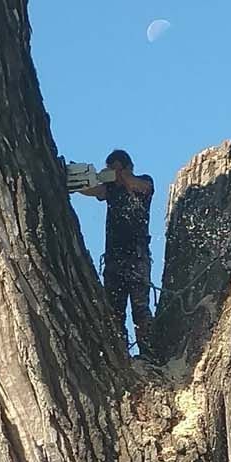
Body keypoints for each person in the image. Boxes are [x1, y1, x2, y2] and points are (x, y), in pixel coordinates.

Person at [67, 149, 155, 355]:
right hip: (114, 260)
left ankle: (149, 354)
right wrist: (76, 181)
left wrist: (121, 176)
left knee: (140, 310)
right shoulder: (110, 190)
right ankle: (120, 353)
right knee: (114, 313)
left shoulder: (142, 181)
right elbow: (94, 190)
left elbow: (142, 187)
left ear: (126, 167)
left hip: (137, 257)